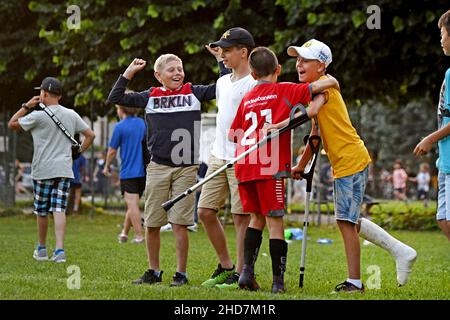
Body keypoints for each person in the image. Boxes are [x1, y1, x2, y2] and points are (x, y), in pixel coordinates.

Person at [288, 39, 417, 291]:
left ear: (321, 65)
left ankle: (355, 282)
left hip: (351, 160)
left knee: (345, 221)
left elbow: (313, 115)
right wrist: (300, 166)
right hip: (346, 161)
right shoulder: (318, 90)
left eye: (305, 60)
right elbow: (316, 136)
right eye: (298, 59)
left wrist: (282, 123)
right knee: (349, 219)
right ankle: (401, 251)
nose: (299, 64)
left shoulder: (324, 90)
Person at [107, 54, 228, 286]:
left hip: (186, 167)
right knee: (151, 223)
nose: (177, 73)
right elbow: (116, 96)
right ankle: (153, 271)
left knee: (179, 223)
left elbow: (223, 88)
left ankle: (180, 274)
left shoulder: (193, 92)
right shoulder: (151, 96)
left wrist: (220, 61)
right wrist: (129, 72)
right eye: (171, 70)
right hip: (158, 167)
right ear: (158, 75)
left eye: (180, 69)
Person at [229, 46, 339, 293]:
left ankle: (247, 273)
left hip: (244, 166)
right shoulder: (285, 89)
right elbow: (322, 86)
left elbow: (232, 134)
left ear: (254, 75)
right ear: (278, 69)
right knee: (275, 222)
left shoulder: (246, 99)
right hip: (270, 168)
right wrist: (321, 96)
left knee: (256, 219)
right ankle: (278, 283)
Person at [8, 77, 95, 263]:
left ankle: (41, 249)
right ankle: (60, 250)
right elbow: (90, 135)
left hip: (43, 169)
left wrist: (26, 105)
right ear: (60, 96)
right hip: (64, 169)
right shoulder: (71, 114)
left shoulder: (37, 116)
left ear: (44, 94)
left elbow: (12, 124)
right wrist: (78, 152)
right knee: (59, 209)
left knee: (41, 210)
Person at [197, 27, 257, 289]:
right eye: (221, 49)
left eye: (227, 49)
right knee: (205, 211)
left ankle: (242, 275)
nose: (222, 54)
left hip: (243, 158)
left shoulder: (256, 83)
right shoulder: (222, 82)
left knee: (241, 217)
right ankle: (226, 266)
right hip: (218, 156)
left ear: (243, 52)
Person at [414, 9, 450, 241]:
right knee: (443, 218)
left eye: (442, 33)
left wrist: (430, 138)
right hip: (445, 160)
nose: (441, 39)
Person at [103, 105, 146, 244]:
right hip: (144, 172)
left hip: (129, 171)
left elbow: (112, 151)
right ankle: (124, 233)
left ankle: (139, 236)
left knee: (132, 203)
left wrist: (107, 166)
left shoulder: (120, 127)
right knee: (132, 203)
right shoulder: (143, 123)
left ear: (121, 109)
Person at [67, 143, 87, 215]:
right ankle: (75, 210)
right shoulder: (81, 157)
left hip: (69, 177)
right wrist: (84, 177)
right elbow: (84, 168)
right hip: (78, 178)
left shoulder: (68, 155)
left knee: (68, 194)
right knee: (77, 195)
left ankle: (64, 209)